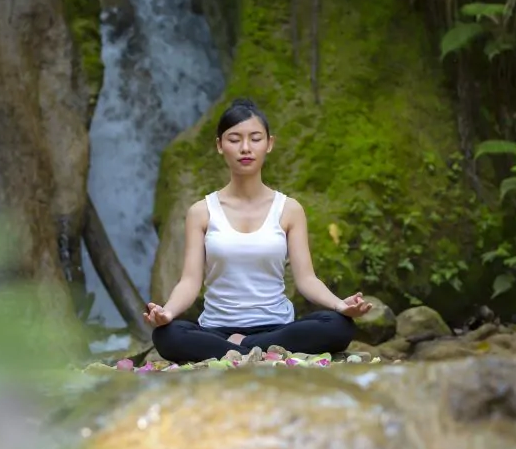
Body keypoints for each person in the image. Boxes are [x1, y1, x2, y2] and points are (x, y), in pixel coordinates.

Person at [143, 97, 373, 364]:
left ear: (269, 144)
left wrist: (340, 305)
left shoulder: (289, 209)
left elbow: (306, 279)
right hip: (216, 330)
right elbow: (190, 281)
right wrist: (167, 313)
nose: (245, 148)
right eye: (234, 139)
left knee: (339, 326)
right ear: (219, 146)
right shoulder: (201, 211)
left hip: (276, 327)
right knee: (166, 335)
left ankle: (243, 348)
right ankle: (261, 352)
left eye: (255, 138)